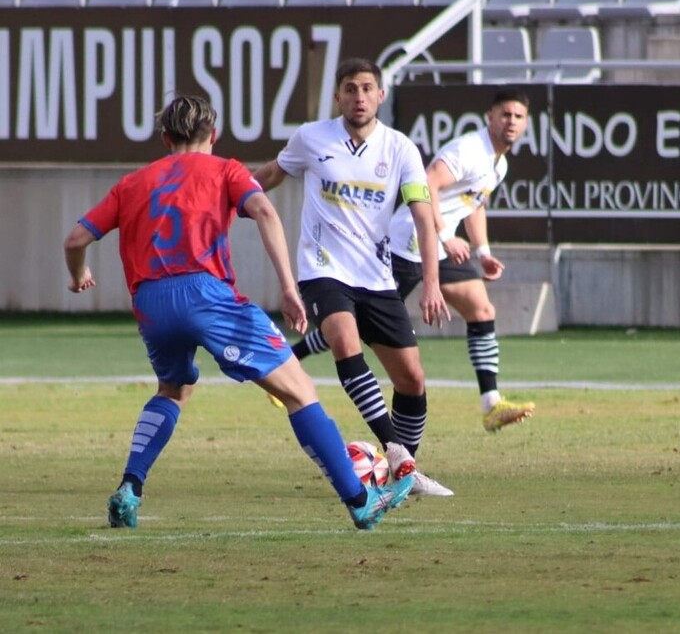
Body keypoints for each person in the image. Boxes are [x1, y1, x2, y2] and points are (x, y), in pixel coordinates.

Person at [62, 94, 413, 531]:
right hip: (207, 295)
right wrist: (289, 287)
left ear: (165, 137)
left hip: (151, 302)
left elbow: (76, 240)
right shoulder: (224, 168)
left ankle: (130, 488)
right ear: (214, 134)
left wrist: (79, 276)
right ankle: (361, 501)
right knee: (300, 391)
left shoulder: (132, 183)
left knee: (174, 389)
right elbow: (263, 208)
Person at [253, 58, 454, 497]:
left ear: (380, 95)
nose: (359, 97)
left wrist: (433, 282)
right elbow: (269, 175)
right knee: (344, 341)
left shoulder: (401, 148)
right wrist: (223, 196)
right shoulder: (311, 138)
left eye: (367, 88)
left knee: (412, 380)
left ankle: (405, 475)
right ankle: (397, 455)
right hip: (323, 270)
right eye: (350, 89)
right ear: (338, 96)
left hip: (378, 277)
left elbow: (424, 218)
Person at [287, 88, 537, 433]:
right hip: (407, 242)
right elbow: (429, 184)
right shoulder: (470, 150)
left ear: (526, 124)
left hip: (438, 248)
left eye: (518, 117)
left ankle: (491, 403)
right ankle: (290, 359)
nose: (511, 122)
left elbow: (474, 203)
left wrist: (483, 252)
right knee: (356, 326)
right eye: (505, 114)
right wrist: (445, 234)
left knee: (482, 310)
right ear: (490, 117)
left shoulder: (499, 162)